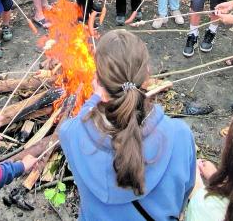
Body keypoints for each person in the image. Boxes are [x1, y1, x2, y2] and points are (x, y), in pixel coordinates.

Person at [60, 30, 196, 220]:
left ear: (97, 81)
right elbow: (185, 194)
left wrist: (91, 101)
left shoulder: (70, 134)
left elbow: (80, 121)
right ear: (147, 75)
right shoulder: (179, 135)